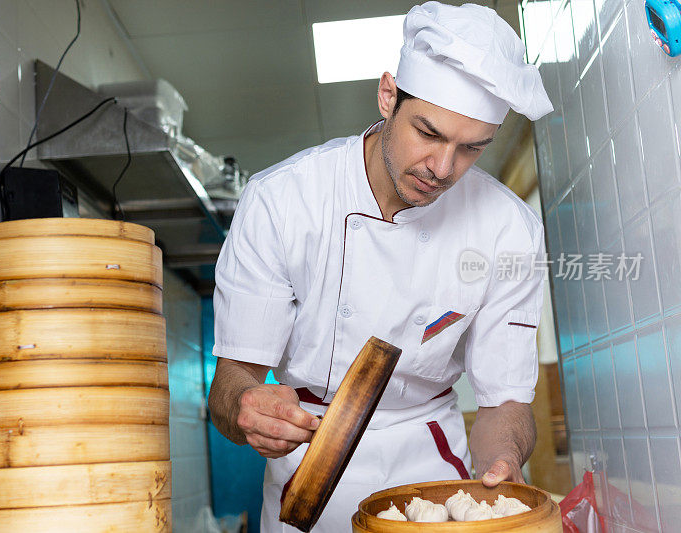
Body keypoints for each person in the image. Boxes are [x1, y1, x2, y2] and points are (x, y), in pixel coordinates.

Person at [208, 2, 554, 531]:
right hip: (309, 467)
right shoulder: (282, 201)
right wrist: (246, 409)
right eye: (429, 134)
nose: (442, 169)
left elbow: (503, 401)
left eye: (471, 149)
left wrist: (503, 465)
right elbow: (232, 381)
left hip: (430, 464)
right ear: (388, 96)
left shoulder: (509, 232)